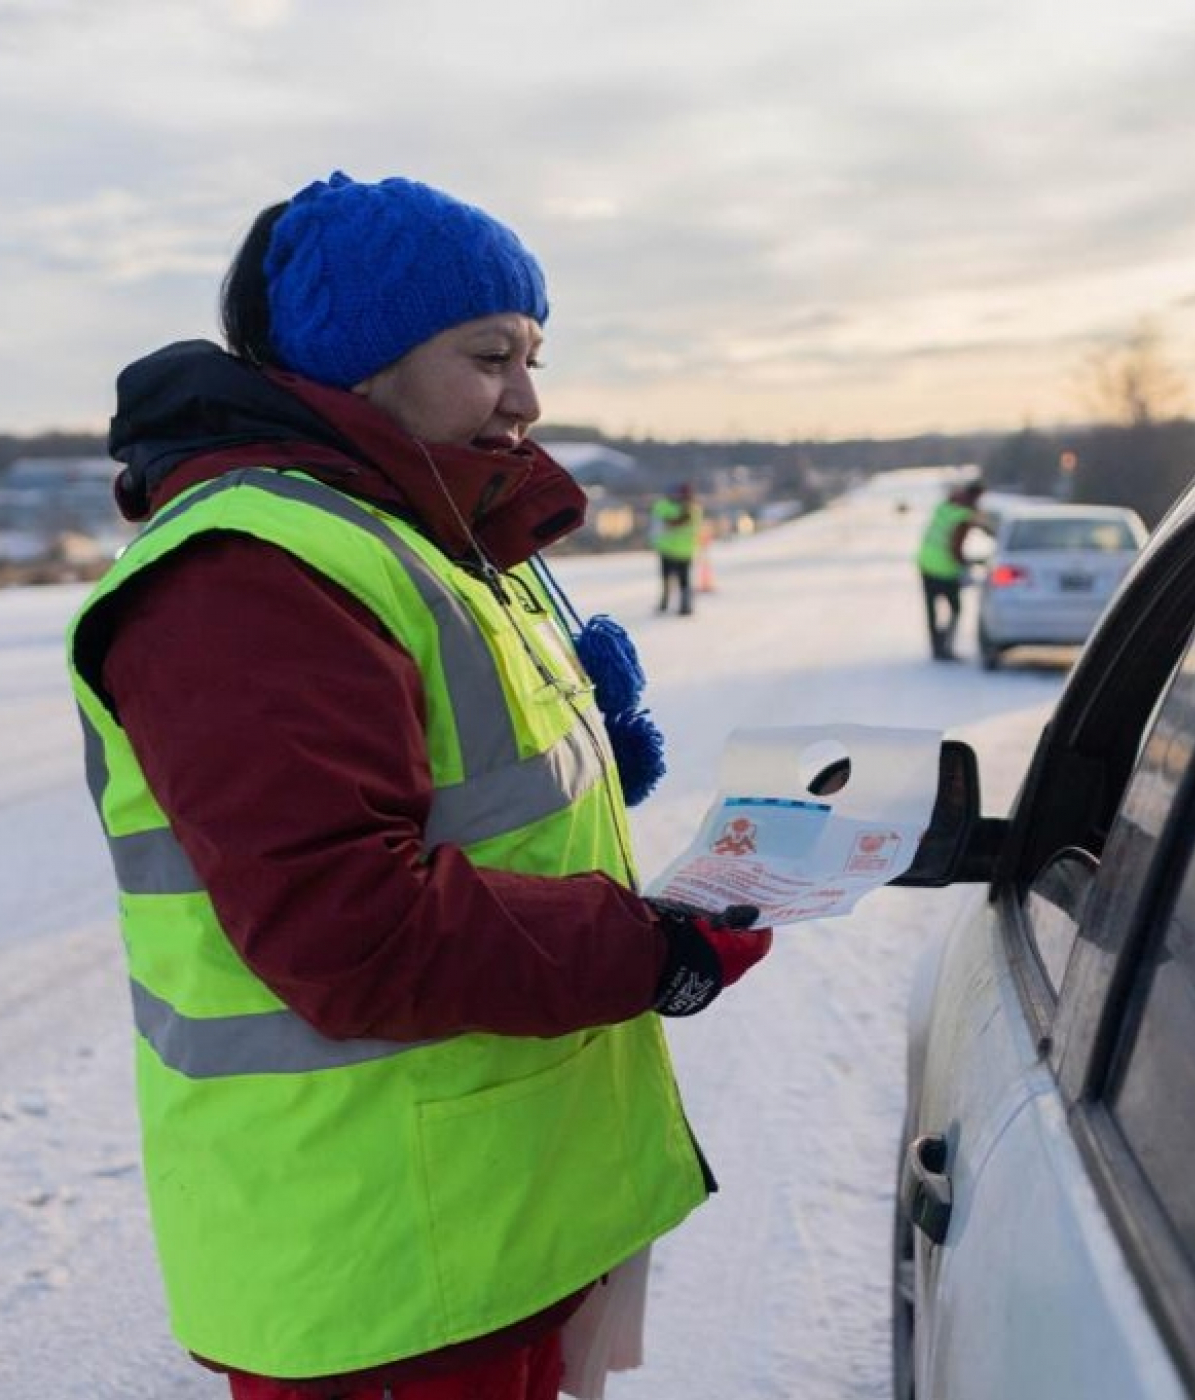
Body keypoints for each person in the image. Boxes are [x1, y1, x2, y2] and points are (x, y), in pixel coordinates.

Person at [65, 171, 773, 1400]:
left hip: (492, 1216)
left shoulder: (406, 522)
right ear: (363, 360)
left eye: (533, 353)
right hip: (386, 1266)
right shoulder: (250, 570)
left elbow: (456, 795)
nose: (529, 396)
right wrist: (643, 948)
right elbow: (348, 928)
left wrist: (587, 744)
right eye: (489, 354)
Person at [915, 478, 991, 661]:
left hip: (925, 563)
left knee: (932, 610)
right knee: (955, 609)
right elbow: (955, 549)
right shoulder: (963, 517)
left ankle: (937, 647)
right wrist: (972, 563)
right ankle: (946, 647)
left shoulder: (945, 506)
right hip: (944, 569)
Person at [649, 482, 701, 615]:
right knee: (675, 579)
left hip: (676, 550)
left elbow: (661, 524)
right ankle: (676, 604)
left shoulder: (689, 508)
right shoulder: (692, 508)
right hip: (676, 550)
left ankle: (677, 604)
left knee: (676, 579)